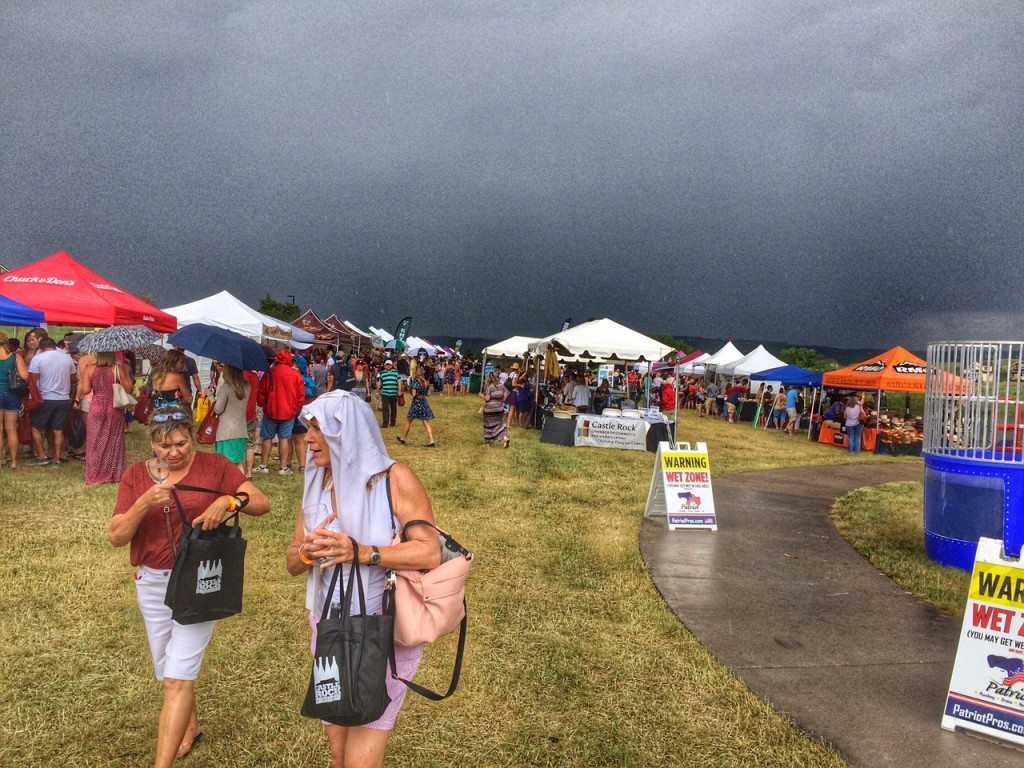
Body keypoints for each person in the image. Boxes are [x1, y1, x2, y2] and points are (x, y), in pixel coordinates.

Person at [285, 391, 440, 768]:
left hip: (379, 631)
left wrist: (362, 551)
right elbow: (291, 562)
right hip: (329, 628)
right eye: (309, 429)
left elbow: (429, 551)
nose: (308, 438)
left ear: (347, 432)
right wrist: (308, 551)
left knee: (360, 758)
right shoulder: (319, 485)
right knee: (338, 751)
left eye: (319, 429)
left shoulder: (393, 479)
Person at [109, 405, 270, 767]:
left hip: (201, 579)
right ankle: (191, 726)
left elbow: (262, 502)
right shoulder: (136, 476)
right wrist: (143, 503)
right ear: (151, 443)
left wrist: (229, 500)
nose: (174, 452)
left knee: (176, 678)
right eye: (165, 446)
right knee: (167, 667)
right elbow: (116, 536)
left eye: (182, 443)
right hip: (152, 582)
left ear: (193, 439)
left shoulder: (215, 468)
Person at [77, 351, 133, 483]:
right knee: (115, 439)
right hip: (114, 407)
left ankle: (95, 473)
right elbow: (129, 387)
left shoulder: (90, 369)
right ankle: (114, 473)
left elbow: (85, 390)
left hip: (96, 406)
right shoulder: (117, 368)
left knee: (95, 440)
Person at [256, 349, 306, 475]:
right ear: (290, 359)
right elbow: (301, 396)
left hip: (271, 410)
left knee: (267, 438)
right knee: (284, 439)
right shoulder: (296, 375)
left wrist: (262, 403)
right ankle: (283, 468)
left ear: (277, 359)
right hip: (288, 412)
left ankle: (263, 466)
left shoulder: (270, 373)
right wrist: (296, 409)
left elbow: (261, 392)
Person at [28, 337, 76, 466]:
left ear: (41, 348)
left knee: (36, 427)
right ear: (54, 346)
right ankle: (57, 459)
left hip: (45, 398)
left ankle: (42, 456)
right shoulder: (67, 358)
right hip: (63, 398)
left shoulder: (38, 359)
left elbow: (33, 380)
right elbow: (73, 378)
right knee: (58, 429)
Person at [213, 363, 251, 473]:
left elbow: (218, 410)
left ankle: (228, 486)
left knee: (224, 463)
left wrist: (210, 395)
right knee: (238, 462)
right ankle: (240, 486)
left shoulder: (226, 387)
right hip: (241, 430)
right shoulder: (247, 386)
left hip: (226, 432)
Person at [0, 333, 30, 469]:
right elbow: (25, 376)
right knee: (11, 429)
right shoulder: (15, 357)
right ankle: (13, 462)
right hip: (12, 394)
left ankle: (1, 460)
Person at [397, 369, 436, 447]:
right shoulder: (425, 382)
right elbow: (428, 393)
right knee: (426, 422)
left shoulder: (415, 382)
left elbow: (414, 394)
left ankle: (403, 438)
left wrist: (411, 392)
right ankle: (431, 440)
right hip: (424, 402)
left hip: (416, 402)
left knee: (409, 420)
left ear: (415, 374)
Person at [479, 372, 509, 447]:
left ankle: (488, 443)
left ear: (488, 379)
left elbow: (487, 398)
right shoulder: (502, 386)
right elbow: (506, 394)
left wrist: (481, 395)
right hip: (499, 408)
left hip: (490, 409)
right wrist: (501, 401)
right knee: (499, 425)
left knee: (488, 425)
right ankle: (505, 437)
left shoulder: (489, 386)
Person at [377, 358, 402, 428]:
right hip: (385, 393)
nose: (388, 366)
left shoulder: (396, 372)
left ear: (392, 365)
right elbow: (380, 382)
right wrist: (377, 391)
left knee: (393, 408)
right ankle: (385, 423)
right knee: (385, 408)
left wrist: (399, 391)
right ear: (384, 365)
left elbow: (399, 382)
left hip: (393, 393)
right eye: (386, 365)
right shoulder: (382, 373)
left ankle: (393, 421)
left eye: (389, 365)